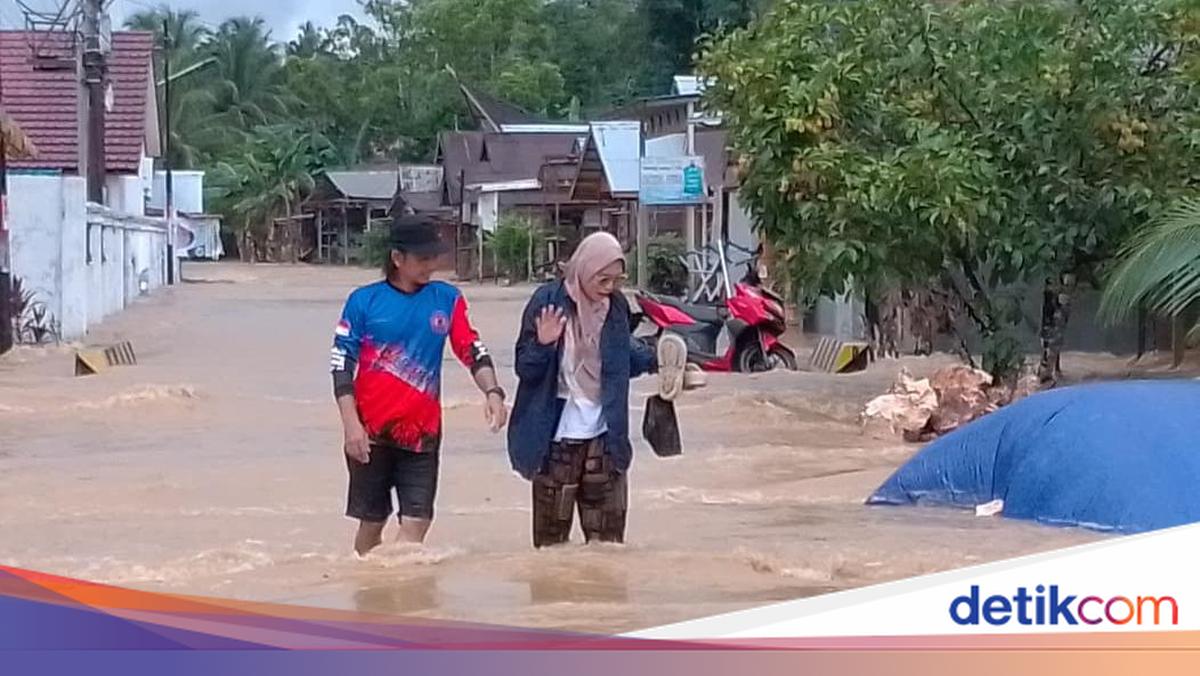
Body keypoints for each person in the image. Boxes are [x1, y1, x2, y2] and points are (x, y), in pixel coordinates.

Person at [331, 214, 508, 556]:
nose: (432, 266)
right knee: (372, 521)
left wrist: (493, 392)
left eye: (434, 258)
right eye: (423, 259)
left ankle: (397, 590)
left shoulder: (447, 299)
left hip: (422, 433)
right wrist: (351, 425)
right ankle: (370, 594)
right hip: (370, 431)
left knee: (417, 521)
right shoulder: (363, 302)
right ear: (397, 259)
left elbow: (471, 348)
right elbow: (340, 367)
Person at [507, 232, 688, 548]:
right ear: (585, 270)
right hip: (554, 444)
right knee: (551, 550)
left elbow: (620, 358)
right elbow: (526, 369)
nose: (609, 289)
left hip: (606, 440)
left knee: (608, 548)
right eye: (602, 280)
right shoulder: (547, 302)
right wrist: (544, 344)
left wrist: (659, 362)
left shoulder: (615, 307)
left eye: (616, 281)